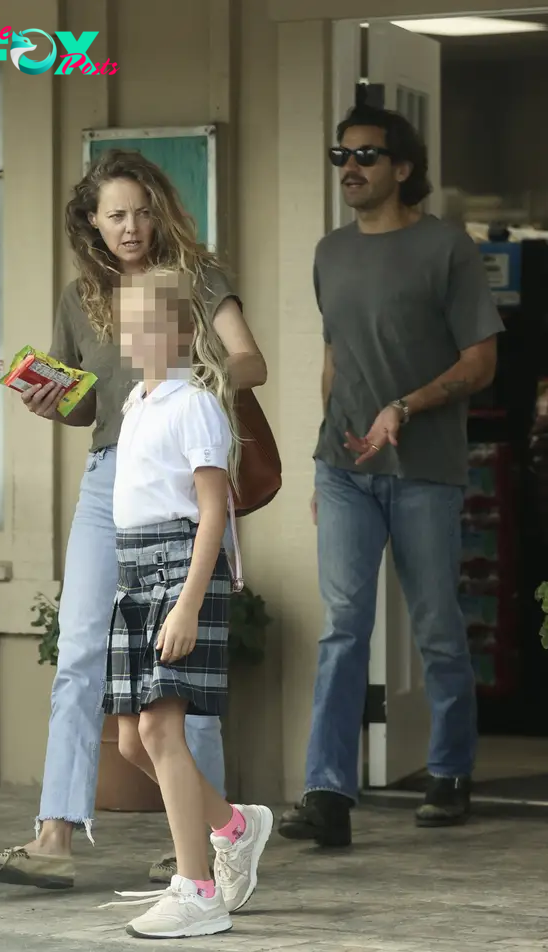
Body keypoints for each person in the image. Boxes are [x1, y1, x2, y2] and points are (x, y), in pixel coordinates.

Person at [0, 149, 267, 889]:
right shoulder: (82, 298)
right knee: (77, 650)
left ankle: (204, 839)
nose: (131, 226)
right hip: (111, 477)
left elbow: (250, 362)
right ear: (92, 224)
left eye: (140, 210)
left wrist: (184, 382)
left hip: (178, 476)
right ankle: (53, 835)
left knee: (181, 668)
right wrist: (50, 399)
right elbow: (87, 404)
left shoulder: (198, 277)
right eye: (115, 215)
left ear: (157, 208)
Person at [278, 105, 504, 848]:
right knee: (343, 629)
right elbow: (334, 357)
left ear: (402, 168)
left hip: (425, 471)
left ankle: (447, 771)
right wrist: (325, 455)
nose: (351, 166)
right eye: (341, 153)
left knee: (438, 626)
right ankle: (328, 793)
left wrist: (406, 405)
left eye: (368, 155)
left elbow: (481, 362)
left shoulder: (447, 248)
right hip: (344, 471)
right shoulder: (330, 252)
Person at [95, 269, 272, 940]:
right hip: (134, 570)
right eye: (127, 321)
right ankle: (234, 826)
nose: (136, 333)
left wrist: (189, 604)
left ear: (182, 330)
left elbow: (210, 512)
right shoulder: (137, 404)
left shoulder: (195, 401)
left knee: (161, 733)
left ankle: (196, 890)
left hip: (178, 567)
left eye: (151, 321)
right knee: (133, 741)